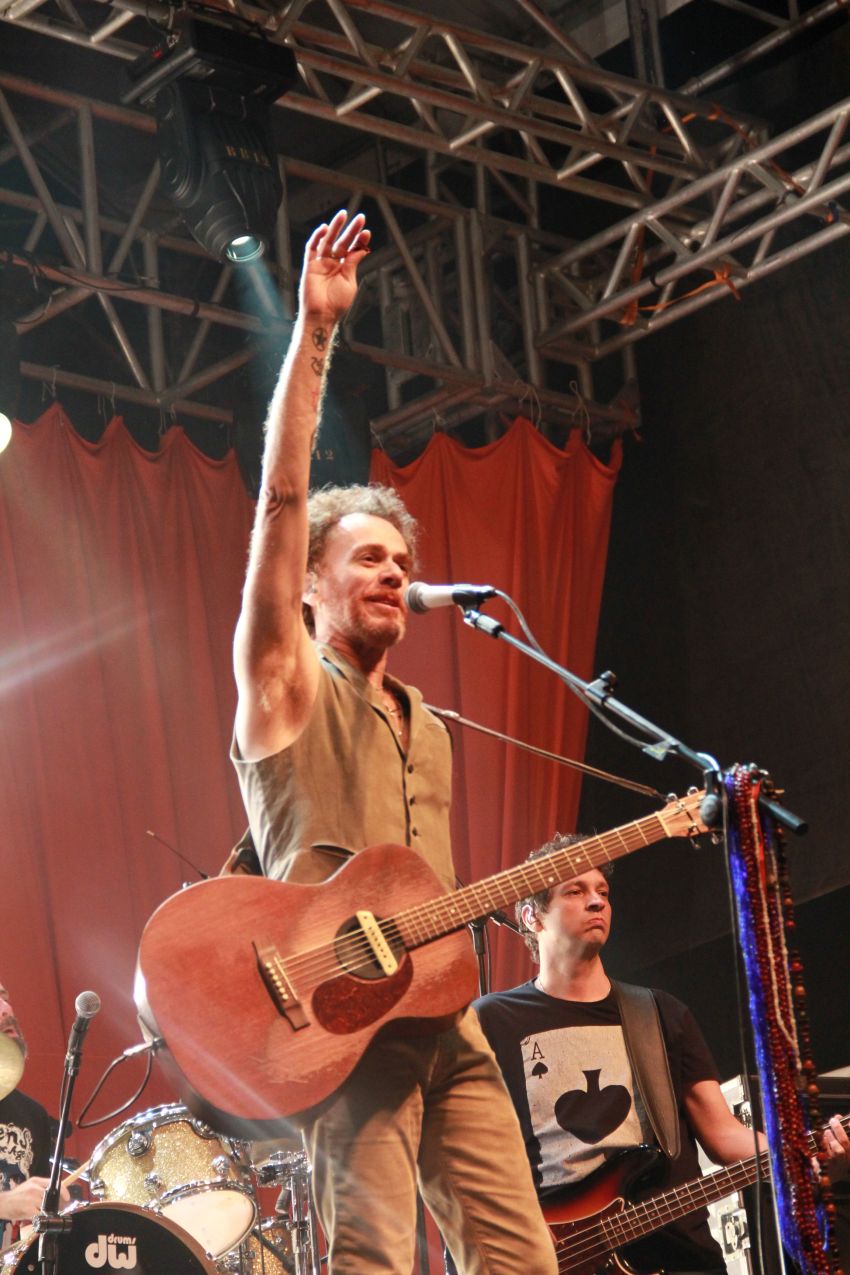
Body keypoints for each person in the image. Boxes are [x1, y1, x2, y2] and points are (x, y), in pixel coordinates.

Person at [230, 208, 557, 1275]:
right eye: (365, 558)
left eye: (399, 563)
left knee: (524, 1260)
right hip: (343, 1023)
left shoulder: (432, 729)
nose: (391, 574)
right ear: (310, 586)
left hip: (449, 1025)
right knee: (374, 1259)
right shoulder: (283, 686)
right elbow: (283, 498)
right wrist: (315, 332)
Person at [472, 837, 850, 1274]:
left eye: (602, 891)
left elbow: (723, 1135)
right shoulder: (491, 1020)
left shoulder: (659, 1013)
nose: (596, 901)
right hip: (557, 1256)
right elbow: (468, 1157)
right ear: (531, 916)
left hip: (680, 1255)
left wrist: (803, 1154)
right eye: (575, 891)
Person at [0, 980, 70, 1250]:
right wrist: (5, 1203)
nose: (6, 1009)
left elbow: (30, 1230)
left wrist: (49, 1212)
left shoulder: (33, 1115)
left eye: (5, 997)